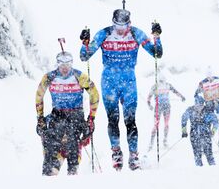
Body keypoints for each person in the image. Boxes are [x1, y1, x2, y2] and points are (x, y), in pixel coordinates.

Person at [79, 9, 162, 171]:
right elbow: (85, 56)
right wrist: (85, 42)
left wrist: (156, 37)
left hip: (128, 82)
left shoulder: (136, 33)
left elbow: (156, 54)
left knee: (130, 120)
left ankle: (133, 155)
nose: (120, 29)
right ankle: (116, 152)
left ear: (129, 23)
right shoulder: (104, 33)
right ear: (113, 22)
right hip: (109, 81)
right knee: (113, 119)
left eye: (123, 25)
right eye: (117, 25)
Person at [35, 51, 99, 176]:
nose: (64, 67)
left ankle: (72, 170)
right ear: (57, 63)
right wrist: (40, 118)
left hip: (76, 114)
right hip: (57, 114)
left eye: (68, 64)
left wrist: (91, 118)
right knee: (50, 140)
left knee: (72, 139)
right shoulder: (50, 77)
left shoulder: (79, 76)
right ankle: (50, 169)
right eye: (61, 64)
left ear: (71, 63)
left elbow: (94, 94)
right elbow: (39, 96)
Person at [147, 73, 185, 150]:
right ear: (158, 80)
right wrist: (149, 105)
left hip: (167, 107)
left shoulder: (168, 85)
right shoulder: (155, 86)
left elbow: (175, 91)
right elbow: (149, 97)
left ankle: (165, 140)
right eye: (161, 81)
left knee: (166, 124)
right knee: (156, 125)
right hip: (158, 107)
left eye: (163, 81)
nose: (162, 82)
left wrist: (181, 96)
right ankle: (151, 143)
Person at [181, 95, 219, 166]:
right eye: (197, 104)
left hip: (206, 134)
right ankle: (199, 170)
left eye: (200, 105)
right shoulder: (190, 110)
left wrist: (213, 131)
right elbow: (184, 118)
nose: (198, 107)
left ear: (203, 104)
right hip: (194, 135)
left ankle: (213, 168)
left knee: (209, 154)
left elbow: (216, 121)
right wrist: (184, 130)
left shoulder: (207, 111)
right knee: (197, 154)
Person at [195, 69, 219, 148]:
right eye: (208, 77)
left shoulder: (217, 80)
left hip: (218, 105)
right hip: (208, 105)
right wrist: (199, 104)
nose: (210, 79)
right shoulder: (202, 83)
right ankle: (206, 144)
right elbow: (196, 94)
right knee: (208, 123)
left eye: (211, 77)